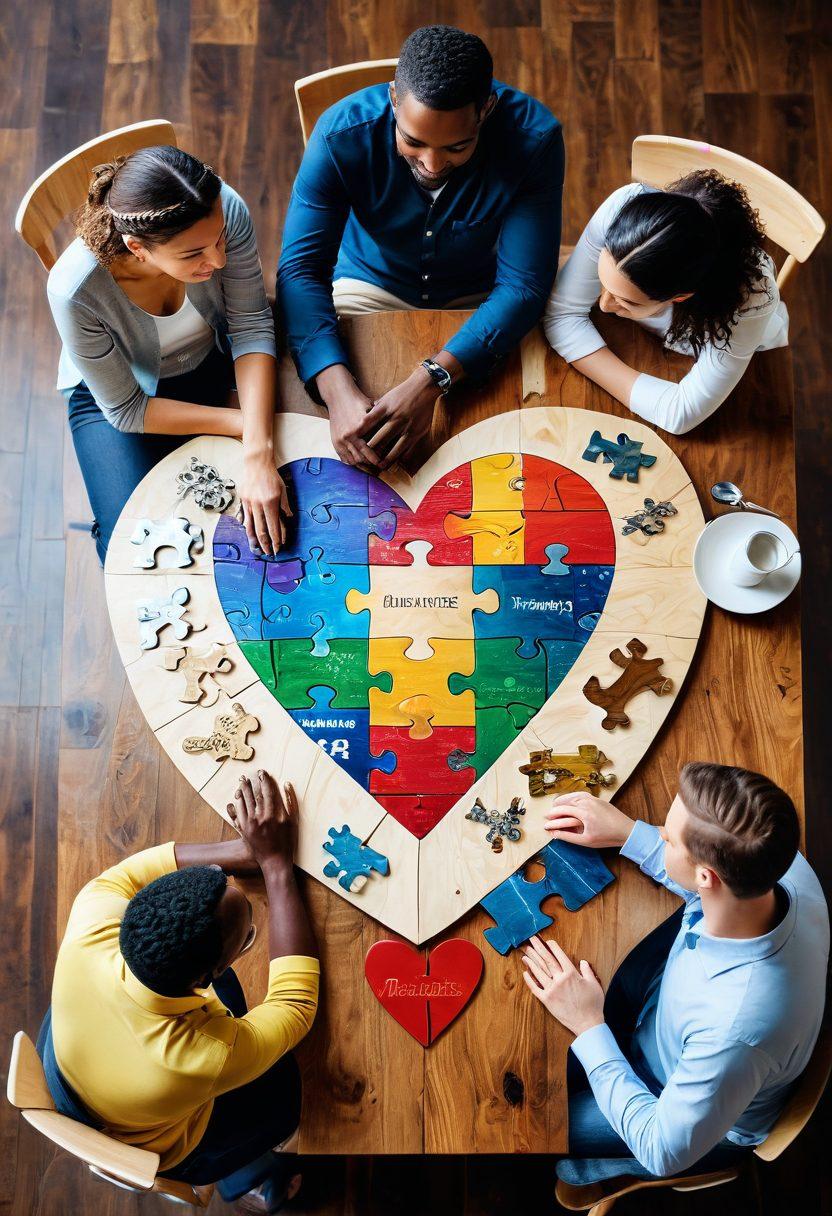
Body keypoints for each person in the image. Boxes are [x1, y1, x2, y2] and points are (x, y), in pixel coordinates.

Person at [521, 762, 828, 1182]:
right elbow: (709, 882)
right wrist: (627, 833)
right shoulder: (782, 862)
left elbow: (661, 1149)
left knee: (530, 1114)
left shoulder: (733, 1027)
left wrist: (589, 1024)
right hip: (668, 1022)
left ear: (706, 876)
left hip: (676, 1098)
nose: (659, 834)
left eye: (667, 837)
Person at [277, 24, 564, 470]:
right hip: (367, 282)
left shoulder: (535, 140)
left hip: (479, 294)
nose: (431, 164)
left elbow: (523, 286)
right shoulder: (339, 134)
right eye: (412, 141)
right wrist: (336, 390)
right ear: (394, 99)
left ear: (486, 110)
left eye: (457, 147)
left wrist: (432, 379)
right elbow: (301, 270)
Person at [43, 772, 318, 1215]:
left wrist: (242, 853)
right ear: (209, 975)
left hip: (69, 1062)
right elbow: (296, 1005)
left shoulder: (92, 916)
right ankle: (246, 1176)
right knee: (283, 1089)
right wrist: (276, 867)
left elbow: (130, 872)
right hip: (165, 1141)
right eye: (247, 936)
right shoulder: (203, 1055)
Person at [47, 145, 290, 563]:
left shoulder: (224, 208)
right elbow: (127, 410)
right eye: (193, 254)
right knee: (128, 547)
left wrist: (257, 452)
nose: (218, 260)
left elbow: (250, 325)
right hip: (123, 395)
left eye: (219, 240)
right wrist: (252, 432)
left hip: (216, 356)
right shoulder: (74, 290)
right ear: (137, 247)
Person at [543, 171, 789, 435]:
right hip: (642, 333)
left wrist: (581, 345)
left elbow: (681, 415)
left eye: (627, 301)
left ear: (679, 297)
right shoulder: (623, 208)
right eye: (603, 282)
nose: (604, 306)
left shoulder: (752, 298)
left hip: (717, 349)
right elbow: (561, 315)